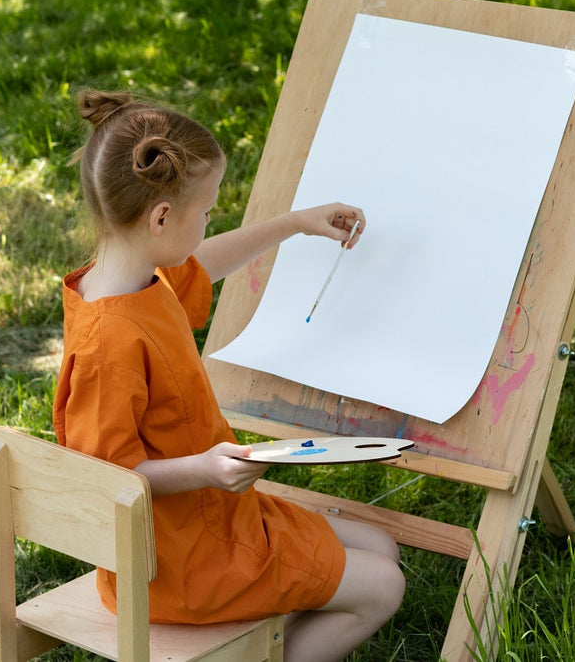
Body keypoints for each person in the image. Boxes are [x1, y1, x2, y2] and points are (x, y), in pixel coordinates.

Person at [53, 89, 405, 662]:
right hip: (173, 564)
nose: (212, 217)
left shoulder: (137, 277)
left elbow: (199, 266)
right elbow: (106, 476)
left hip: (214, 520)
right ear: (162, 217)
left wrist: (294, 224)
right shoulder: (109, 341)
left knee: (382, 547)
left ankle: (265, 636)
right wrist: (207, 469)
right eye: (209, 209)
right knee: (385, 586)